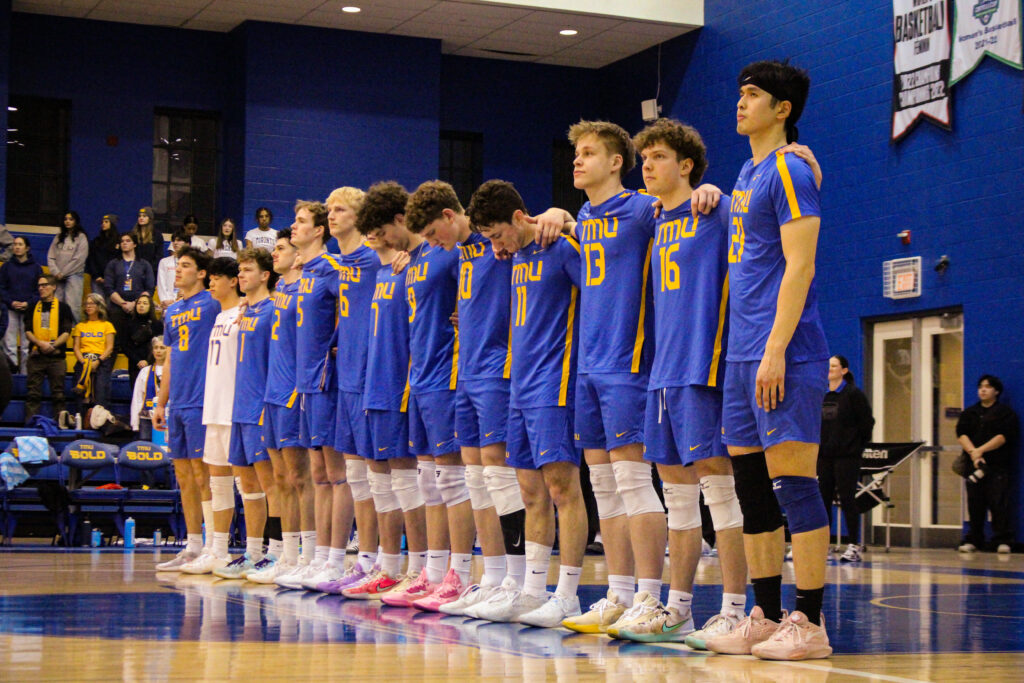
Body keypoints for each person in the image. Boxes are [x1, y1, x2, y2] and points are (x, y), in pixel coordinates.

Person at [705, 59, 832, 661]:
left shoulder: (787, 169)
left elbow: (800, 265)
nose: (740, 102)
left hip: (785, 350)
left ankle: (809, 621)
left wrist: (777, 347)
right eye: (740, 92)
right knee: (753, 490)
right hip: (740, 355)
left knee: (795, 487)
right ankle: (765, 612)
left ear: (782, 109)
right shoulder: (747, 171)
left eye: (752, 95)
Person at [605, 119, 749, 646]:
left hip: (703, 366)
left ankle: (735, 608)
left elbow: (755, 226)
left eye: (659, 156)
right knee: (678, 497)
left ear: (686, 166)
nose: (647, 164)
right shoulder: (654, 219)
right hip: (660, 372)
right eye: (645, 157)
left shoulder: (717, 208)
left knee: (721, 492)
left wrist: (722, 192)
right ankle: (679, 609)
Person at [532, 120, 663, 635]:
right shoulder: (582, 216)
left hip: (629, 364)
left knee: (634, 484)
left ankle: (652, 599)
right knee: (604, 489)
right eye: (575, 154)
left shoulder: (641, 208)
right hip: (586, 365)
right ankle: (619, 594)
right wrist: (562, 214)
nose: (577, 161)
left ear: (616, 162)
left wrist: (711, 192)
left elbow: (690, 204)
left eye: (589, 153)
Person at [466, 180, 589, 627]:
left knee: (562, 488)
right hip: (520, 384)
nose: (495, 246)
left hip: (555, 383)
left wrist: (566, 215)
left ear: (519, 218)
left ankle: (569, 595)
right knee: (529, 491)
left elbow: (598, 297)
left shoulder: (562, 246)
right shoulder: (514, 255)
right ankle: (532, 591)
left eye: (498, 234)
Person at [407, 180, 528, 615]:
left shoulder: (495, 236)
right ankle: (491, 577)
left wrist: (558, 214)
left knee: (499, 472)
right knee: (475, 475)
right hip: (467, 371)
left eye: (433, 234)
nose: (432, 244)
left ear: (448, 216)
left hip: (499, 368)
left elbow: (540, 224)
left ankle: (519, 579)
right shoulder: (458, 254)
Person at [355, 182, 431, 604]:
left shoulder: (414, 265)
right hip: (375, 384)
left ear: (400, 221)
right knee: (380, 481)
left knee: (409, 481)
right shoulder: (386, 269)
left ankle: (419, 566)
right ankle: (388, 566)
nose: (376, 239)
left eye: (381, 231)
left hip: (404, 384)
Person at [273, 201, 348, 591]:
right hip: (303, 382)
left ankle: (336, 559)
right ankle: (317, 557)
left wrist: (338, 347)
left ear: (319, 230)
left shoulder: (333, 268)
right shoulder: (300, 273)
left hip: (325, 379)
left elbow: (357, 307)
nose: (293, 227)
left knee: (336, 474)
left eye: (301, 222)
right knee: (318, 475)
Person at [312, 186, 385, 595]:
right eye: (328, 209)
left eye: (339, 209)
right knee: (356, 476)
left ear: (359, 216)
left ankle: (376, 560)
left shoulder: (375, 259)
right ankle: (359, 561)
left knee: (377, 478)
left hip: (372, 378)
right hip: (345, 377)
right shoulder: (338, 265)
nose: (331, 215)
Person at [212, 247, 282, 579]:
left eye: (248, 270)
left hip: (260, 407)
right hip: (237, 407)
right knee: (247, 484)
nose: (241, 275)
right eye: (239, 270)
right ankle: (253, 551)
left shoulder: (272, 310)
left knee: (272, 484)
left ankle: (278, 552)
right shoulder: (246, 311)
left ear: (265, 275)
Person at [248, 230, 311, 585]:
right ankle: (285, 554)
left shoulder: (307, 288)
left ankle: (306, 553)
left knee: (299, 477)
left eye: (282, 248)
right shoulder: (280, 294)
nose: (276, 254)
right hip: (271, 394)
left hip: (292, 393)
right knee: (281, 480)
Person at [153, 247, 219, 572]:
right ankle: (192, 546)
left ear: (202, 273)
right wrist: (161, 401)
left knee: (202, 473)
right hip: (177, 400)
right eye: (177, 265)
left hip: (203, 399)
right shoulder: (171, 311)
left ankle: (212, 546)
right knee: (182, 475)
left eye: (186, 265)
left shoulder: (213, 303)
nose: (177, 271)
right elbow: (170, 359)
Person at [179, 257, 244, 575]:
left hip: (236, 409)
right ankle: (216, 550)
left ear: (233, 281)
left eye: (217, 277)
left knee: (250, 485)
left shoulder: (245, 314)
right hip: (213, 407)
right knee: (218, 484)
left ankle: (264, 551)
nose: (211, 283)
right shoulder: (218, 315)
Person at [819, 355, 874, 563]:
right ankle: (822, 544)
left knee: (847, 499)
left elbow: (867, 423)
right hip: (824, 456)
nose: (830, 369)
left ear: (844, 370)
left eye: (834, 366)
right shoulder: (821, 394)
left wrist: (855, 447)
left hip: (847, 457)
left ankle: (853, 544)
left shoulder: (853, 394)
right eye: (828, 366)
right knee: (822, 500)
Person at [956, 374, 1019, 554]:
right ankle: (974, 539)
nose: (983, 390)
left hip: (997, 466)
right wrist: (973, 454)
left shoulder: (1005, 413)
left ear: (996, 391)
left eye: (988, 387)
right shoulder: (970, 413)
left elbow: (1002, 437)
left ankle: (1002, 539)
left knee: (998, 503)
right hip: (974, 465)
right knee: (975, 504)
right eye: (980, 387)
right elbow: (962, 434)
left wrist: (981, 450)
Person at [24, 274, 73, 423]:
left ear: (53, 287)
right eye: (39, 286)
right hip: (36, 356)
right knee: (33, 394)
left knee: (58, 394)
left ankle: (60, 424)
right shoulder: (32, 307)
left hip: (56, 357)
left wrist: (52, 345)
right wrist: (41, 344)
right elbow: (27, 331)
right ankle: (30, 425)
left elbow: (66, 332)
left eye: (44, 285)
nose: (41, 288)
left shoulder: (64, 308)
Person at [102, 232, 155, 349]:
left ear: (135, 244)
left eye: (128, 241)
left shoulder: (144, 264)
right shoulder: (113, 264)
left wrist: (135, 303)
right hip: (118, 305)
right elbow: (108, 288)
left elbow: (150, 289)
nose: (124, 243)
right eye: (122, 241)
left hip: (139, 306)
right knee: (115, 329)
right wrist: (123, 303)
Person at [69, 293, 116, 424]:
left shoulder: (107, 325)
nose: (88, 306)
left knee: (101, 392)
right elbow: (76, 347)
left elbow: (110, 347)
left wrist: (98, 361)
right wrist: (84, 362)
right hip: (83, 360)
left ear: (99, 306)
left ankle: (100, 423)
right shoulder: (80, 326)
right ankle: (80, 423)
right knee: (80, 392)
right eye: (86, 304)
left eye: (91, 304)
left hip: (101, 360)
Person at [0, 236, 43, 373]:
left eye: (20, 244)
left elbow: (40, 290)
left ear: (27, 248)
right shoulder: (6, 267)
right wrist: (11, 302)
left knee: (26, 345)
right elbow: (1, 288)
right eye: (15, 244)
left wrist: (28, 303)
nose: (17, 247)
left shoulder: (36, 268)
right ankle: (11, 375)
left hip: (29, 309)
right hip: (10, 309)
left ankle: (25, 375)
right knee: (10, 344)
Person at [47, 211, 89, 323]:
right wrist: (56, 272)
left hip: (74, 276)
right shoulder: (58, 237)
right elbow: (51, 257)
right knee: (56, 305)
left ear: (76, 221)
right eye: (65, 219)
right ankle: (58, 332)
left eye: (71, 219)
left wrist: (63, 273)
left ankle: (74, 333)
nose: (67, 221)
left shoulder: (81, 237)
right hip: (57, 277)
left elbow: (79, 259)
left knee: (72, 306)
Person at [122, 293, 164, 386]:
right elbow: (125, 346)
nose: (141, 305)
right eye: (139, 303)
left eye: (145, 303)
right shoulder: (129, 324)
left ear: (150, 306)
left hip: (152, 362)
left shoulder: (157, 324)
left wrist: (147, 361)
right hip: (134, 364)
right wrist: (138, 361)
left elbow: (160, 345)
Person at [130, 336, 165, 440]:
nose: (158, 351)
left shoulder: (175, 371)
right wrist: (135, 423)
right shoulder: (145, 371)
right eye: (156, 348)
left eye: (162, 348)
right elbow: (137, 398)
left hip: (167, 418)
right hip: (147, 419)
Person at [86, 214, 121, 294]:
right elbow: (91, 259)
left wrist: (109, 277)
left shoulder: (118, 241)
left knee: (110, 304)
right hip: (97, 278)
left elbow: (119, 260)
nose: (103, 224)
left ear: (112, 224)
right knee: (98, 303)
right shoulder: (97, 241)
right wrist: (96, 275)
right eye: (102, 222)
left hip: (112, 279)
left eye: (106, 222)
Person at [156, 231, 187, 311]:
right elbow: (161, 284)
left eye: (179, 240)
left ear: (187, 244)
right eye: (173, 240)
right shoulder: (164, 262)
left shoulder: (192, 262)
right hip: (167, 304)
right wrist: (165, 300)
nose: (175, 243)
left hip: (186, 303)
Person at [131, 207, 166, 274]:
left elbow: (159, 255)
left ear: (150, 219)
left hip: (151, 270)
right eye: (139, 216)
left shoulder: (157, 235)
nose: (141, 218)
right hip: (134, 270)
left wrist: (149, 269)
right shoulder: (133, 234)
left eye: (144, 216)